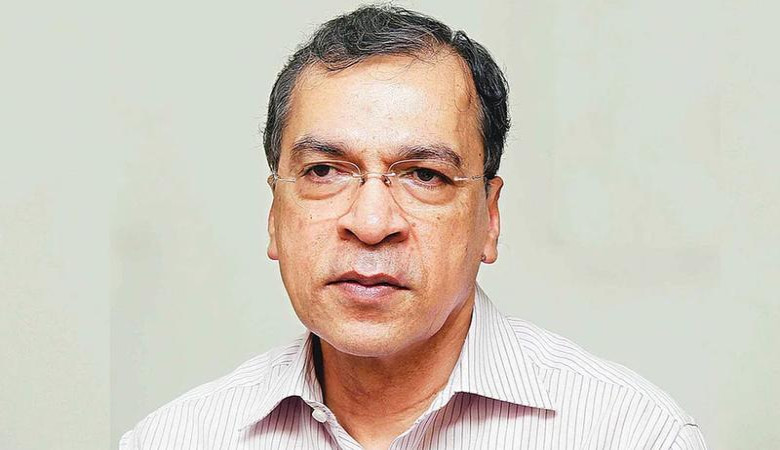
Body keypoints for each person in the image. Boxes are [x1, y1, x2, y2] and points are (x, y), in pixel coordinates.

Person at [120, 5, 707, 449]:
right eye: (324, 171)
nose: (371, 223)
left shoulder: (629, 434)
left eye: (424, 175)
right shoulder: (177, 440)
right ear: (274, 215)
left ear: (490, 219)